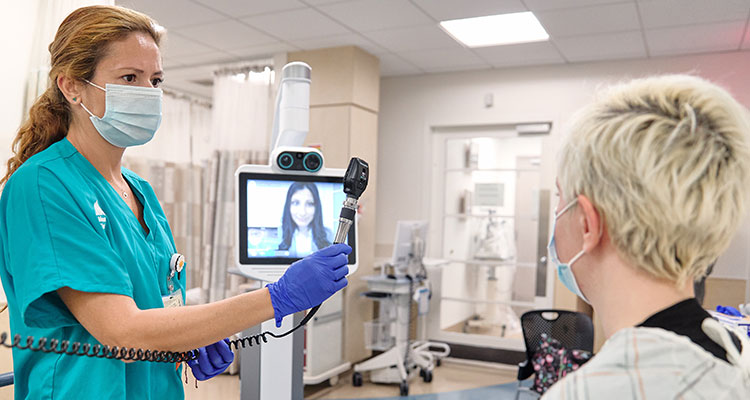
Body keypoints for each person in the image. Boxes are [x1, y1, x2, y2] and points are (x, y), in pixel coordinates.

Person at [0, 6, 350, 400]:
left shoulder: (140, 192)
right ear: (72, 87)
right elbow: (122, 331)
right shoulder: (44, 185)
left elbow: (156, 309)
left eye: (156, 80)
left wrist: (192, 337)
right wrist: (277, 298)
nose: (148, 93)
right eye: (129, 78)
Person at [542, 75, 750, 398]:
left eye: (559, 196)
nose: (556, 213)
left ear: (587, 223)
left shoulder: (582, 394)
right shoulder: (732, 357)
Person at [278, 182, 333, 257]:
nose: (302, 212)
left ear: (317, 207)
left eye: (309, 204)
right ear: (288, 206)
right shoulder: (279, 233)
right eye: (296, 203)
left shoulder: (328, 234)